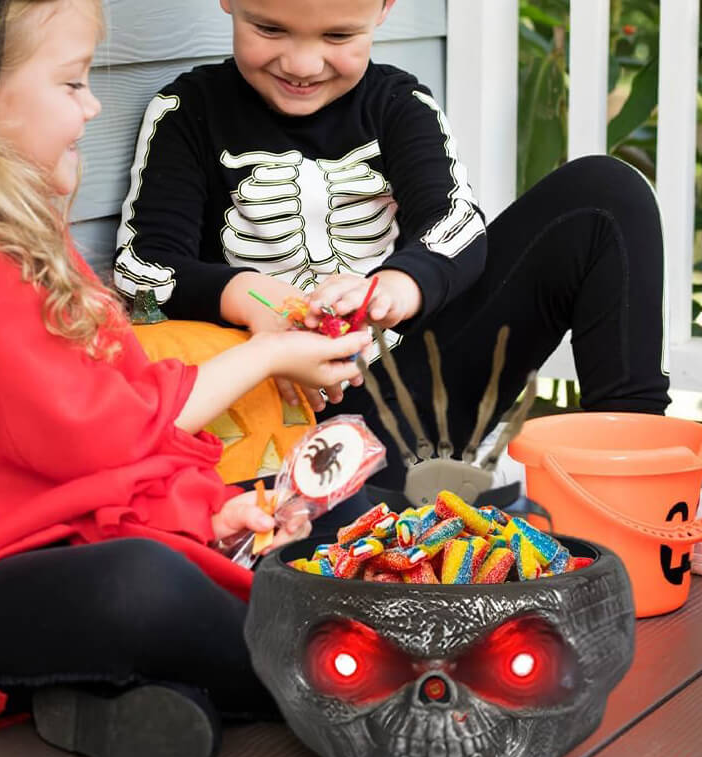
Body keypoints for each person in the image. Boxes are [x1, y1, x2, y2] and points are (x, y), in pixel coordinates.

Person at [0, 0, 372, 757]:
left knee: (340, 503)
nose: (91, 106)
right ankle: (355, 662)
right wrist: (270, 355)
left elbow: (105, 418)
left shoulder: (4, 227)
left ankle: (106, 701)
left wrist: (207, 510)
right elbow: (107, 431)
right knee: (141, 589)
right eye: (74, 83)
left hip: (60, 536)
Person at [115, 0, 671, 490]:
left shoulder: (398, 105)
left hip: (411, 392)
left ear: (384, 7)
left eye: (338, 37)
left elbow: (453, 223)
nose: (303, 64)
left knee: (604, 194)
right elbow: (144, 266)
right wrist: (248, 297)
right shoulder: (188, 114)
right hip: (270, 421)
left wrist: (397, 286)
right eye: (269, 29)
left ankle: (638, 467)